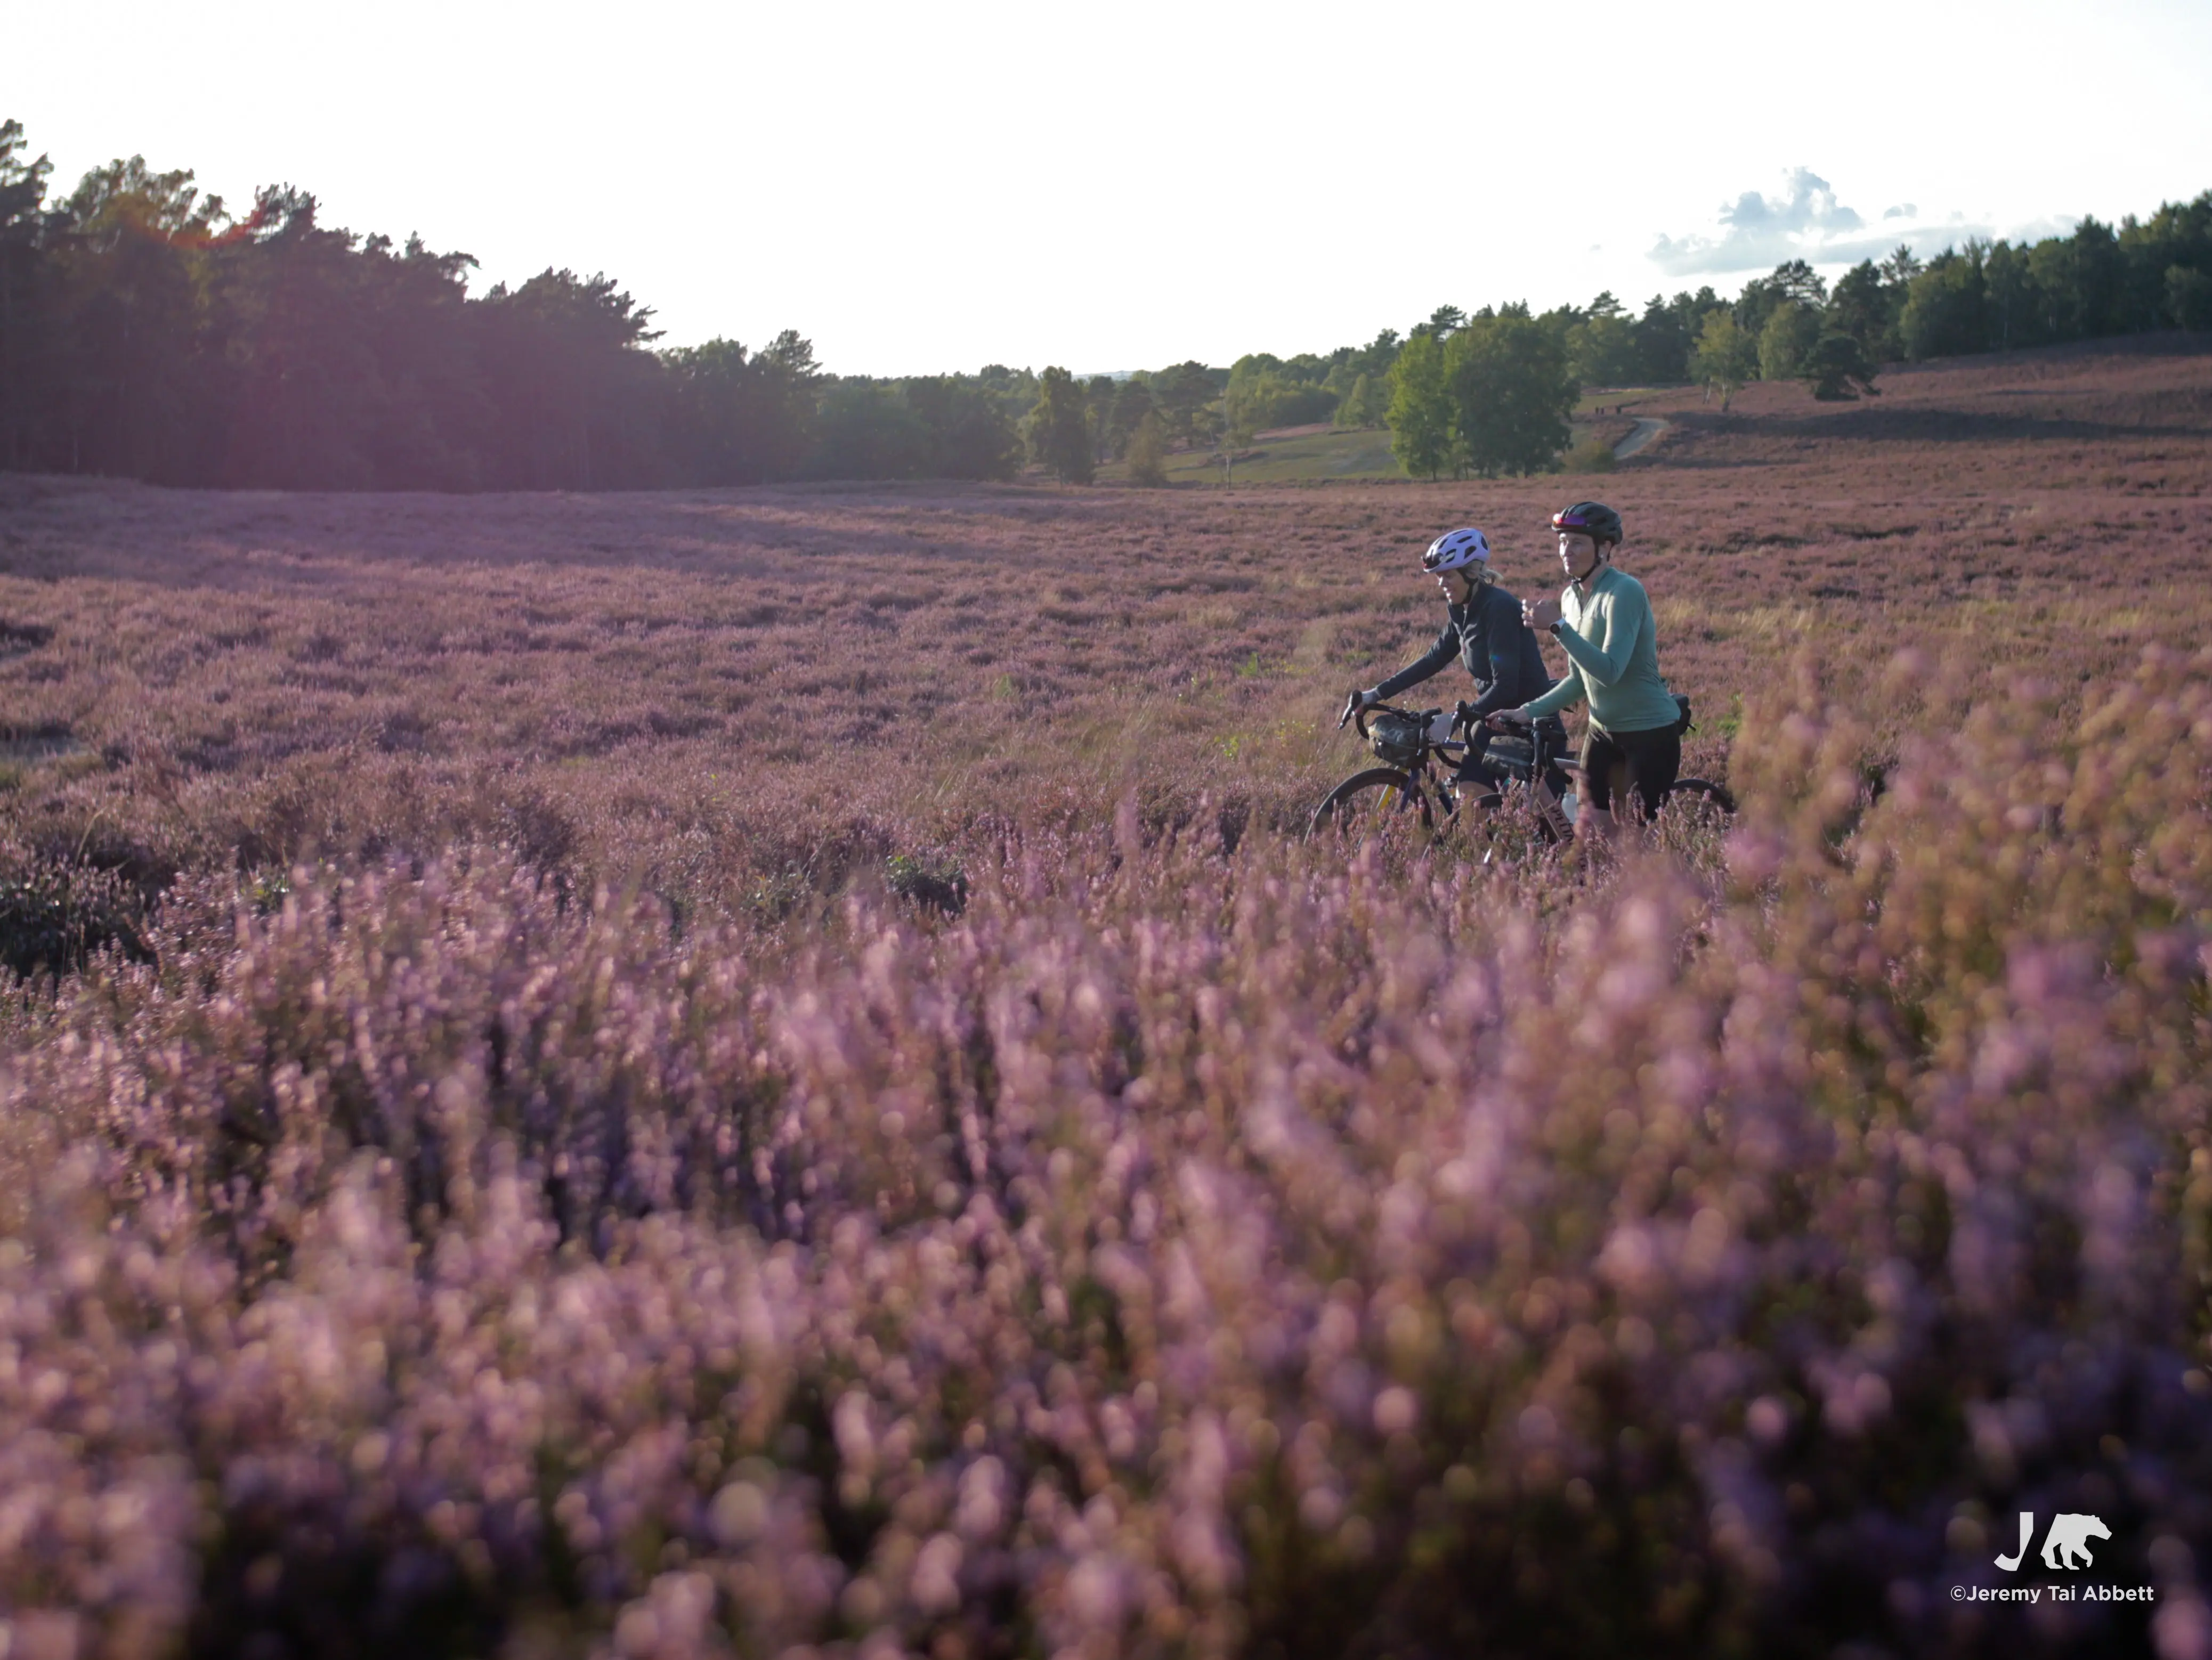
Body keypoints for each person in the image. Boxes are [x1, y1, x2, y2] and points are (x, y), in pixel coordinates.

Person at [1493, 500, 1683, 840]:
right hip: (1602, 732)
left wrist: (1558, 628)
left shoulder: (1624, 591)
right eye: (1563, 542)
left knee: (1633, 846)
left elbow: (1610, 671)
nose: (1567, 550)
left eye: (1577, 542)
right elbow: (1580, 678)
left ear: (1605, 548)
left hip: (1649, 735)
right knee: (1591, 836)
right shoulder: (1569, 597)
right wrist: (1525, 713)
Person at [1344, 526, 1553, 794]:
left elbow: (1506, 686)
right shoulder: (1462, 610)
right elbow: (1434, 659)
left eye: (1449, 575)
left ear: (1473, 573)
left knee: (1535, 817)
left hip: (1530, 722)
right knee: (1469, 798)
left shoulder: (1498, 608)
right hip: (1490, 718)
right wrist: (1376, 693)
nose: (1442, 583)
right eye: (1439, 576)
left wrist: (1453, 720)